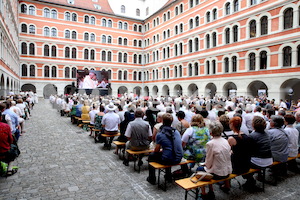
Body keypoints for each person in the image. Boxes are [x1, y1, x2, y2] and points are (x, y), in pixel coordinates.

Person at [147, 113, 183, 185]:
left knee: (151, 156)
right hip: (178, 157)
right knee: (167, 153)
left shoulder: (160, 134)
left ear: (162, 121)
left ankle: (152, 178)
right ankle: (168, 176)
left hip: (169, 159)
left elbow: (156, 150)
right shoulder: (176, 132)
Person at [198, 121, 232, 199]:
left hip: (218, 173)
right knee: (208, 168)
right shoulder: (226, 141)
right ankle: (223, 187)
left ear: (211, 132)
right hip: (227, 171)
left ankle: (205, 193)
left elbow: (208, 162)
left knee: (199, 170)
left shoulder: (210, 143)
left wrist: (204, 165)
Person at [244, 116, 273, 191]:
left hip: (259, 161)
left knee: (242, 164)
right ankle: (256, 176)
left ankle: (250, 180)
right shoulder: (267, 133)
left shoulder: (252, 136)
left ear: (253, 125)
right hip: (269, 159)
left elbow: (247, 151)